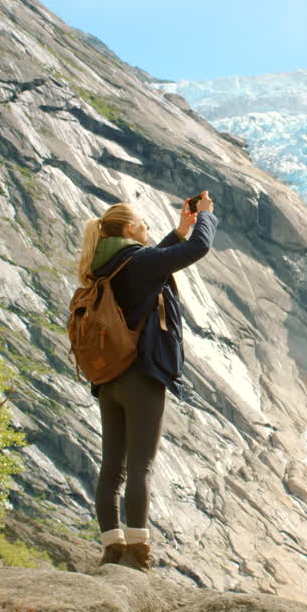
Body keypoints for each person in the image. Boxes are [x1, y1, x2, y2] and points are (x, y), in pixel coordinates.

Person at [73, 192, 217, 571]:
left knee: (112, 469)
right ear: (132, 228)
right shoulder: (138, 261)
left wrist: (178, 230)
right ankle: (137, 553)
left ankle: (112, 548)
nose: (148, 229)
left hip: (109, 380)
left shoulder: (103, 268)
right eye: (144, 224)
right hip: (142, 377)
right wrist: (203, 218)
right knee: (141, 468)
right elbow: (198, 248)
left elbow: (150, 265)